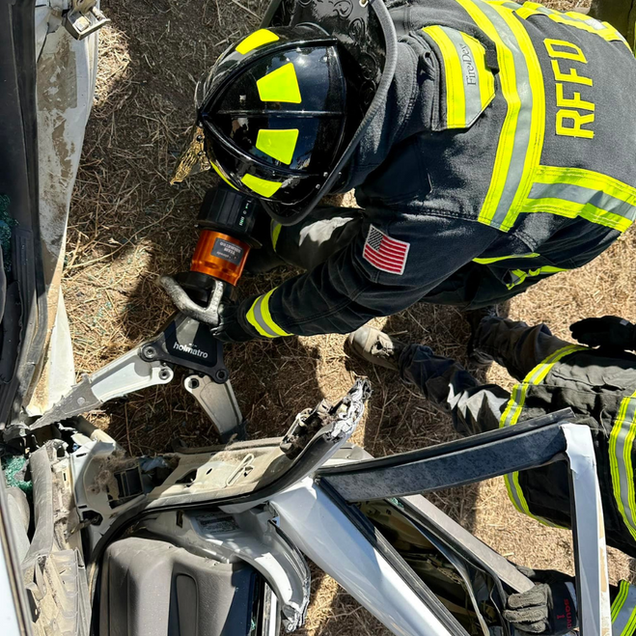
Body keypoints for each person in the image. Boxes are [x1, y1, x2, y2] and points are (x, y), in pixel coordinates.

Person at [170, 0, 636, 346]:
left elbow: (352, 292)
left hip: (602, 198)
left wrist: (244, 323)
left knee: (451, 277)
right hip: (603, 55)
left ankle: (275, 242)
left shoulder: (435, 205)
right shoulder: (402, 18)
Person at [347, 315, 636, 635]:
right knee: (534, 350)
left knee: (479, 411)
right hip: (613, 382)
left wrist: (577, 604)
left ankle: (411, 361)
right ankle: (486, 330)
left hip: (583, 471)